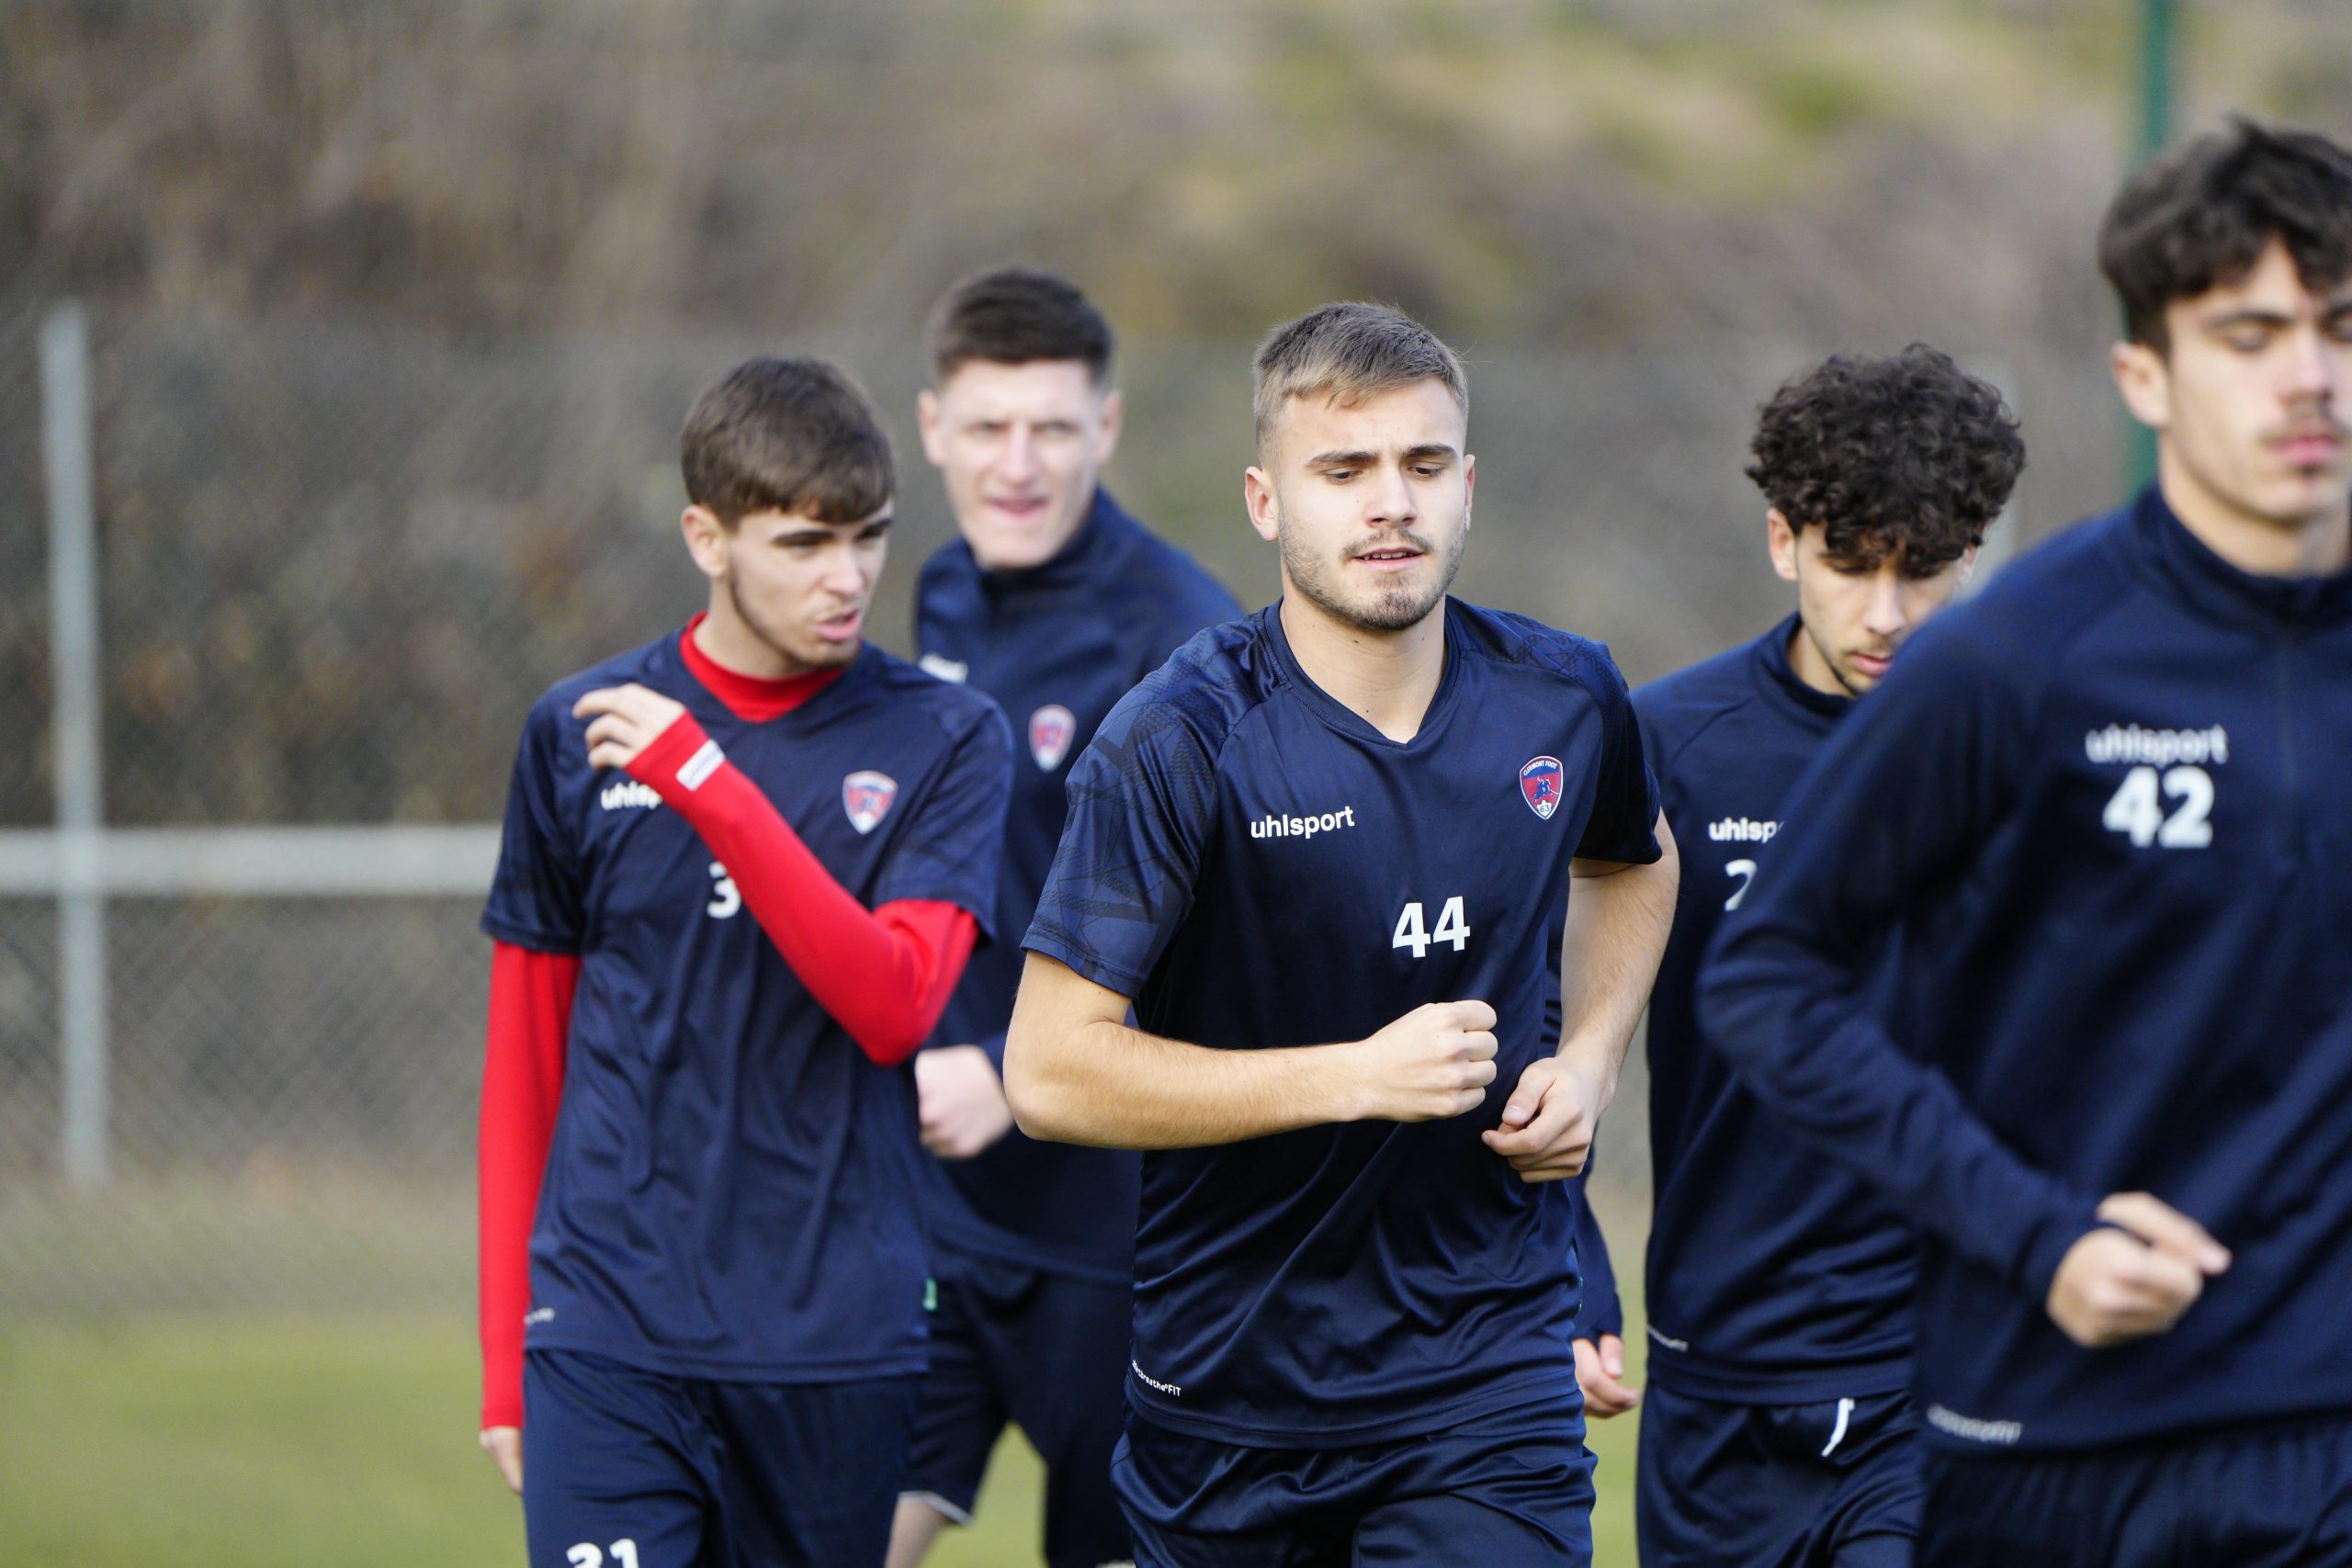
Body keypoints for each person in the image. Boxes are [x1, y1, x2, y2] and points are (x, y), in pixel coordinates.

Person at [1701, 118, 2352, 1567]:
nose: (2308, 376)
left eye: (2341, 329)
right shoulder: (2014, 662)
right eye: (2249, 336)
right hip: (2057, 1437)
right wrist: (2035, 1234)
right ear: (2145, 378)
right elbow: (1767, 977)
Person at [1003, 300, 1679, 1565]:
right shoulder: (1180, 739)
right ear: (1266, 502)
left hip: (1486, 1377)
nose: (1392, 503)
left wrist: (1589, 1062)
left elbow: (1636, 861)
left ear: (1467, 486)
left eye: (1423, 464)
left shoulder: (1565, 696)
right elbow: (1048, 1070)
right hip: (1229, 1393)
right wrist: (1354, 1078)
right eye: (1344, 470)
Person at [475, 356, 1012, 1567]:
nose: (848, 577)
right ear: (705, 539)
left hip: (836, 1345)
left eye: (869, 538)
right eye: (804, 543)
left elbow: (896, 1005)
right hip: (609, 1329)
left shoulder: (944, 738)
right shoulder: (578, 732)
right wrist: (507, 1358)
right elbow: (526, 1061)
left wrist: (710, 788)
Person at [1567, 346, 2024, 1567]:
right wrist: (1570, 1258)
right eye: (1850, 563)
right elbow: (1555, 1026)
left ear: (1972, 554)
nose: (1886, 613)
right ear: (1783, 542)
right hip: (1715, 1382)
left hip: (1942, 1377)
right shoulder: (1668, 745)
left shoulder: (2032, 752)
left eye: (1922, 568)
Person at [891, 266, 1239, 1568]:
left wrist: (1007, 1067)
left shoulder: (1182, 639)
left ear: (1108, 424)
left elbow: (1223, 954)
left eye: (1051, 427)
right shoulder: (939, 592)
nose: (1018, 464)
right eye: (988, 427)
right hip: (942, 1208)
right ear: (935, 429)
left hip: (1118, 1231)